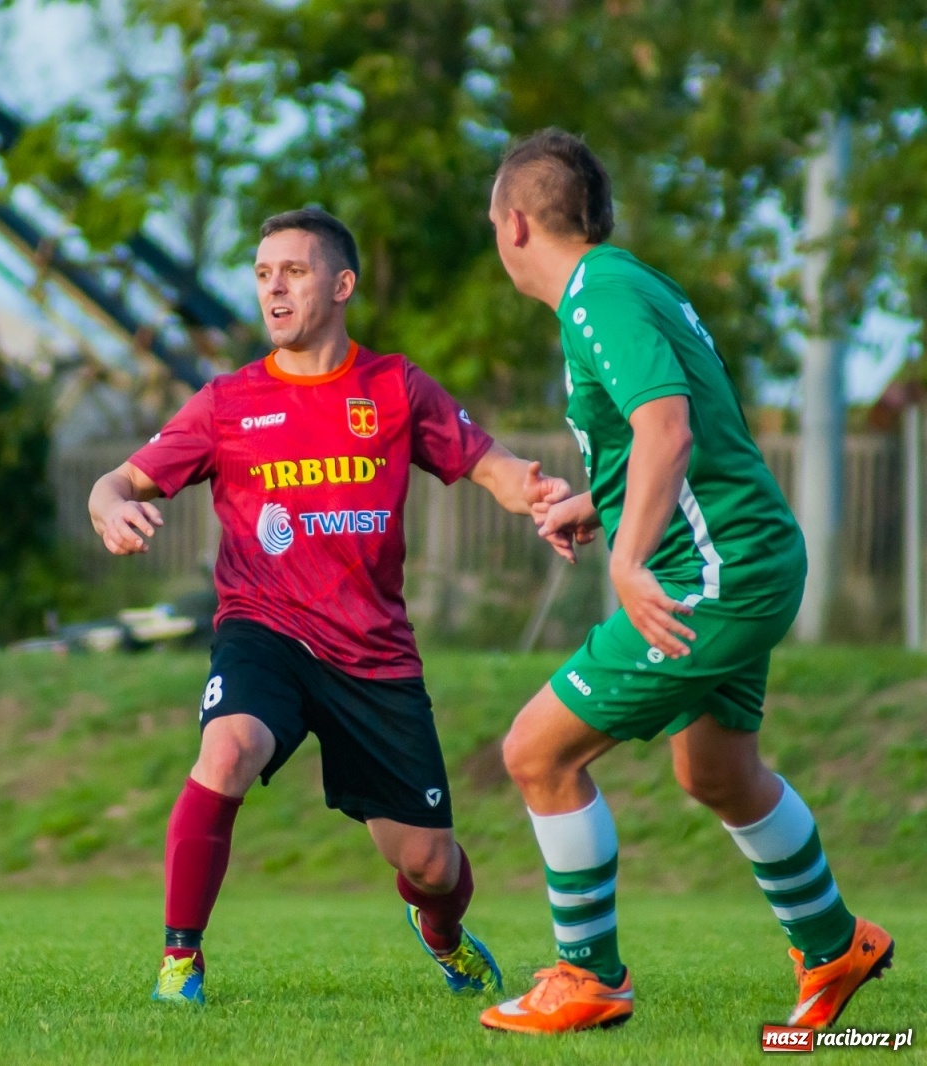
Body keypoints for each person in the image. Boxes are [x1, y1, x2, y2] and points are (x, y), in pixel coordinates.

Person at [89, 207, 572, 1006]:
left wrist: (541, 493)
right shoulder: (227, 404)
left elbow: (494, 467)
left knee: (430, 866)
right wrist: (109, 506)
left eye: (295, 271)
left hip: (373, 656)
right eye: (263, 273)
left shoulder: (394, 387)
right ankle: (181, 962)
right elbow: (120, 481)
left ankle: (442, 934)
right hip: (263, 632)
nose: (274, 289)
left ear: (341, 285)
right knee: (227, 751)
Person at [478, 129, 894, 1035]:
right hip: (746, 555)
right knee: (716, 769)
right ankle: (833, 945)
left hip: (713, 570)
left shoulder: (597, 295)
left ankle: (589, 977)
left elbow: (669, 428)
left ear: (515, 226)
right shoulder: (633, 282)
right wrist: (604, 501)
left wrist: (627, 561)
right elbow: (678, 431)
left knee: (536, 752)